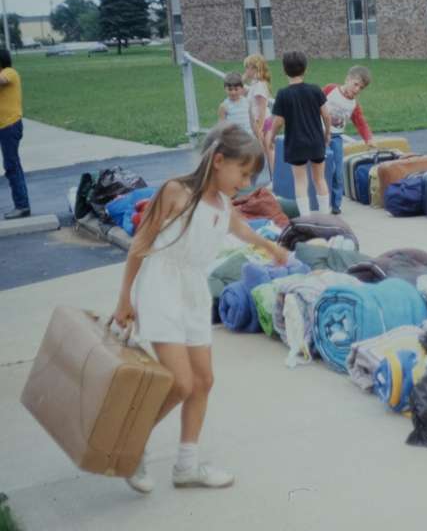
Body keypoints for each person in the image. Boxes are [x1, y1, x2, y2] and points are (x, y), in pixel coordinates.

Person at [111, 123, 290, 493]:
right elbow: (141, 243)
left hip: (194, 290)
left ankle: (187, 466)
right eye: (242, 173)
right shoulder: (177, 192)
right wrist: (124, 298)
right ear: (219, 160)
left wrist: (273, 249)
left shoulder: (223, 203)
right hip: (161, 286)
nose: (244, 182)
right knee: (179, 382)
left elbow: (243, 231)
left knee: (203, 381)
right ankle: (131, 446)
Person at [265, 51, 333, 218]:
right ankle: (325, 216)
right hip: (315, 141)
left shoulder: (283, 94)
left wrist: (271, 137)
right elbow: (326, 115)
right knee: (319, 179)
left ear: (284, 70)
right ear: (305, 69)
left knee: (300, 181)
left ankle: (305, 217)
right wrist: (327, 133)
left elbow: (278, 122)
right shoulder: (315, 90)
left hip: (295, 143)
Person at [322, 65, 373, 213]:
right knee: (326, 169)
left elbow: (360, 122)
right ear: (347, 79)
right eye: (355, 84)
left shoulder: (353, 104)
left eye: (361, 88)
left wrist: (368, 138)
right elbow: (314, 102)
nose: (357, 89)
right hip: (321, 135)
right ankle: (322, 200)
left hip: (337, 137)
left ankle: (336, 205)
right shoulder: (330, 90)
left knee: (338, 173)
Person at [0, 48, 30, 220]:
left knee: (12, 166)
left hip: (10, 125)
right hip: (3, 126)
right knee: (12, 165)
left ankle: (22, 205)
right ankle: (22, 204)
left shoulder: (10, 73)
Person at [243, 53, 274, 172]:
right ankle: (273, 176)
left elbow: (262, 108)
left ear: (254, 68)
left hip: (262, 122)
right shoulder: (254, 84)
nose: (245, 71)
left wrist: (260, 128)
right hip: (257, 122)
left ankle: (275, 177)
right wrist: (244, 77)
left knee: (269, 151)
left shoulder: (260, 85)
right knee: (266, 151)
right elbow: (238, 85)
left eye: (247, 68)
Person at [217, 71, 252, 136]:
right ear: (225, 89)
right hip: (234, 138)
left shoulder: (247, 101)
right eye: (230, 89)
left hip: (249, 136)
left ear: (242, 89)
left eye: (236, 89)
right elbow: (221, 125)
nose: (233, 92)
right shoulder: (224, 106)